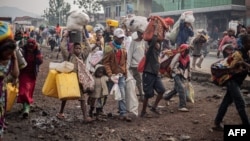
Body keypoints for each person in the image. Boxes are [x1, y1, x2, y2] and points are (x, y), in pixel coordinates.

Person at [213, 34, 250, 131]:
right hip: (231, 81)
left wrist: (244, 65)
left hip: (237, 82)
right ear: (244, 43)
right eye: (248, 42)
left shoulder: (247, 54)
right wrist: (241, 64)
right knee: (240, 103)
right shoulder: (237, 54)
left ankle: (217, 122)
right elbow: (228, 67)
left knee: (226, 102)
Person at [56, 28, 93, 123]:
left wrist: (84, 36)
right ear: (72, 49)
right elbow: (63, 47)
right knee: (65, 97)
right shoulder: (68, 56)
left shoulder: (82, 56)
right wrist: (65, 36)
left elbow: (88, 48)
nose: (78, 50)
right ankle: (60, 113)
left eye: (80, 48)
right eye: (76, 48)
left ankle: (85, 117)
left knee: (82, 99)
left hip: (80, 81)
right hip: (70, 80)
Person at [103, 28, 132, 122]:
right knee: (105, 93)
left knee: (122, 94)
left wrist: (125, 73)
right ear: (115, 37)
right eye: (119, 38)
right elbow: (106, 62)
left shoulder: (123, 48)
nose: (121, 40)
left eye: (122, 38)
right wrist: (110, 74)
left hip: (120, 75)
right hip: (111, 75)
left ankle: (123, 113)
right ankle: (98, 109)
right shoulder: (109, 47)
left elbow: (125, 62)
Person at [140, 21, 166, 117]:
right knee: (148, 94)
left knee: (162, 90)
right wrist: (155, 30)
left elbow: (160, 40)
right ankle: (143, 112)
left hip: (155, 74)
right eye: (157, 43)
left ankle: (154, 107)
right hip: (148, 73)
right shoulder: (149, 51)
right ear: (153, 44)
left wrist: (162, 30)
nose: (158, 45)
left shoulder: (157, 51)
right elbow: (154, 40)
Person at [17, 38, 43, 118]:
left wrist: (38, 52)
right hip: (24, 73)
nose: (31, 49)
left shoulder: (37, 51)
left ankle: (26, 107)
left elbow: (40, 62)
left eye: (32, 47)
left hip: (32, 75)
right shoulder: (22, 51)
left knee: (28, 91)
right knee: (23, 91)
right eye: (29, 47)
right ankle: (26, 108)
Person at [0, 37, 19, 140]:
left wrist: (14, 57)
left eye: (11, 53)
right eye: (7, 53)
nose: (9, 55)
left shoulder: (10, 60)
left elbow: (15, 74)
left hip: (1, 94)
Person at [163, 44, 191, 112]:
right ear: (183, 50)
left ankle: (166, 97)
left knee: (176, 89)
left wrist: (189, 76)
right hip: (176, 74)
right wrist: (177, 71)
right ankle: (182, 106)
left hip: (182, 74)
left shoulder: (188, 57)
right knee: (181, 87)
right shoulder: (178, 56)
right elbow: (172, 65)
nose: (187, 53)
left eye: (188, 51)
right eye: (186, 51)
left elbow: (189, 68)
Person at [127, 31, 146, 101]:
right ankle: (142, 95)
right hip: (135, 65)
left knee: (141, 81)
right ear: (138, 34)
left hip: (143, 64)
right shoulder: (133, 42)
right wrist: (128, 66)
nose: (142, 35)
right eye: (141, 33)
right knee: (139, 81)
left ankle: (141, 95)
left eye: (143, 33)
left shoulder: (144, 42)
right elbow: (130, 54)